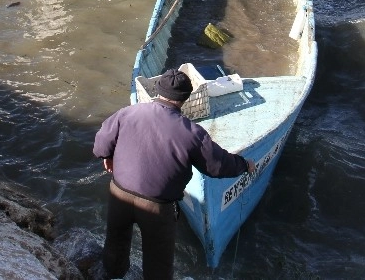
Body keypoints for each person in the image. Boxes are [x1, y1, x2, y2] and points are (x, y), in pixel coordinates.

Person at [93, 69, 255, 279]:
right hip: (157, 206)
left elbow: (100, 146)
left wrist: (108, 155)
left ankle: (113, 275)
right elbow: (217, 166)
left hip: (120, 194)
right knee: (157, 261)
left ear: (158, 90)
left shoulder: (127, 113)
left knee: (115, 242)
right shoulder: (192, 133)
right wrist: (244, 164)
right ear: (186, 98)